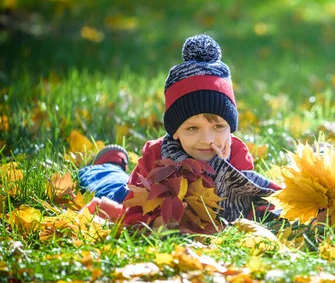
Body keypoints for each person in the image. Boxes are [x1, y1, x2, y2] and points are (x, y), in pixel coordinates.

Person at [79, 34, 279, 229]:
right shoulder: (156, 155)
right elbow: (131, 211)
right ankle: (105, 167)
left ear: (230, 128)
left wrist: (223, 167)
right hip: (136, 195)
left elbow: (243, 203)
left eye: (218, 127)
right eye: (192, 128)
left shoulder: (235, 153)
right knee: (115, 189)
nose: (207, 140)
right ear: (175, 131)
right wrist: (156, 223)